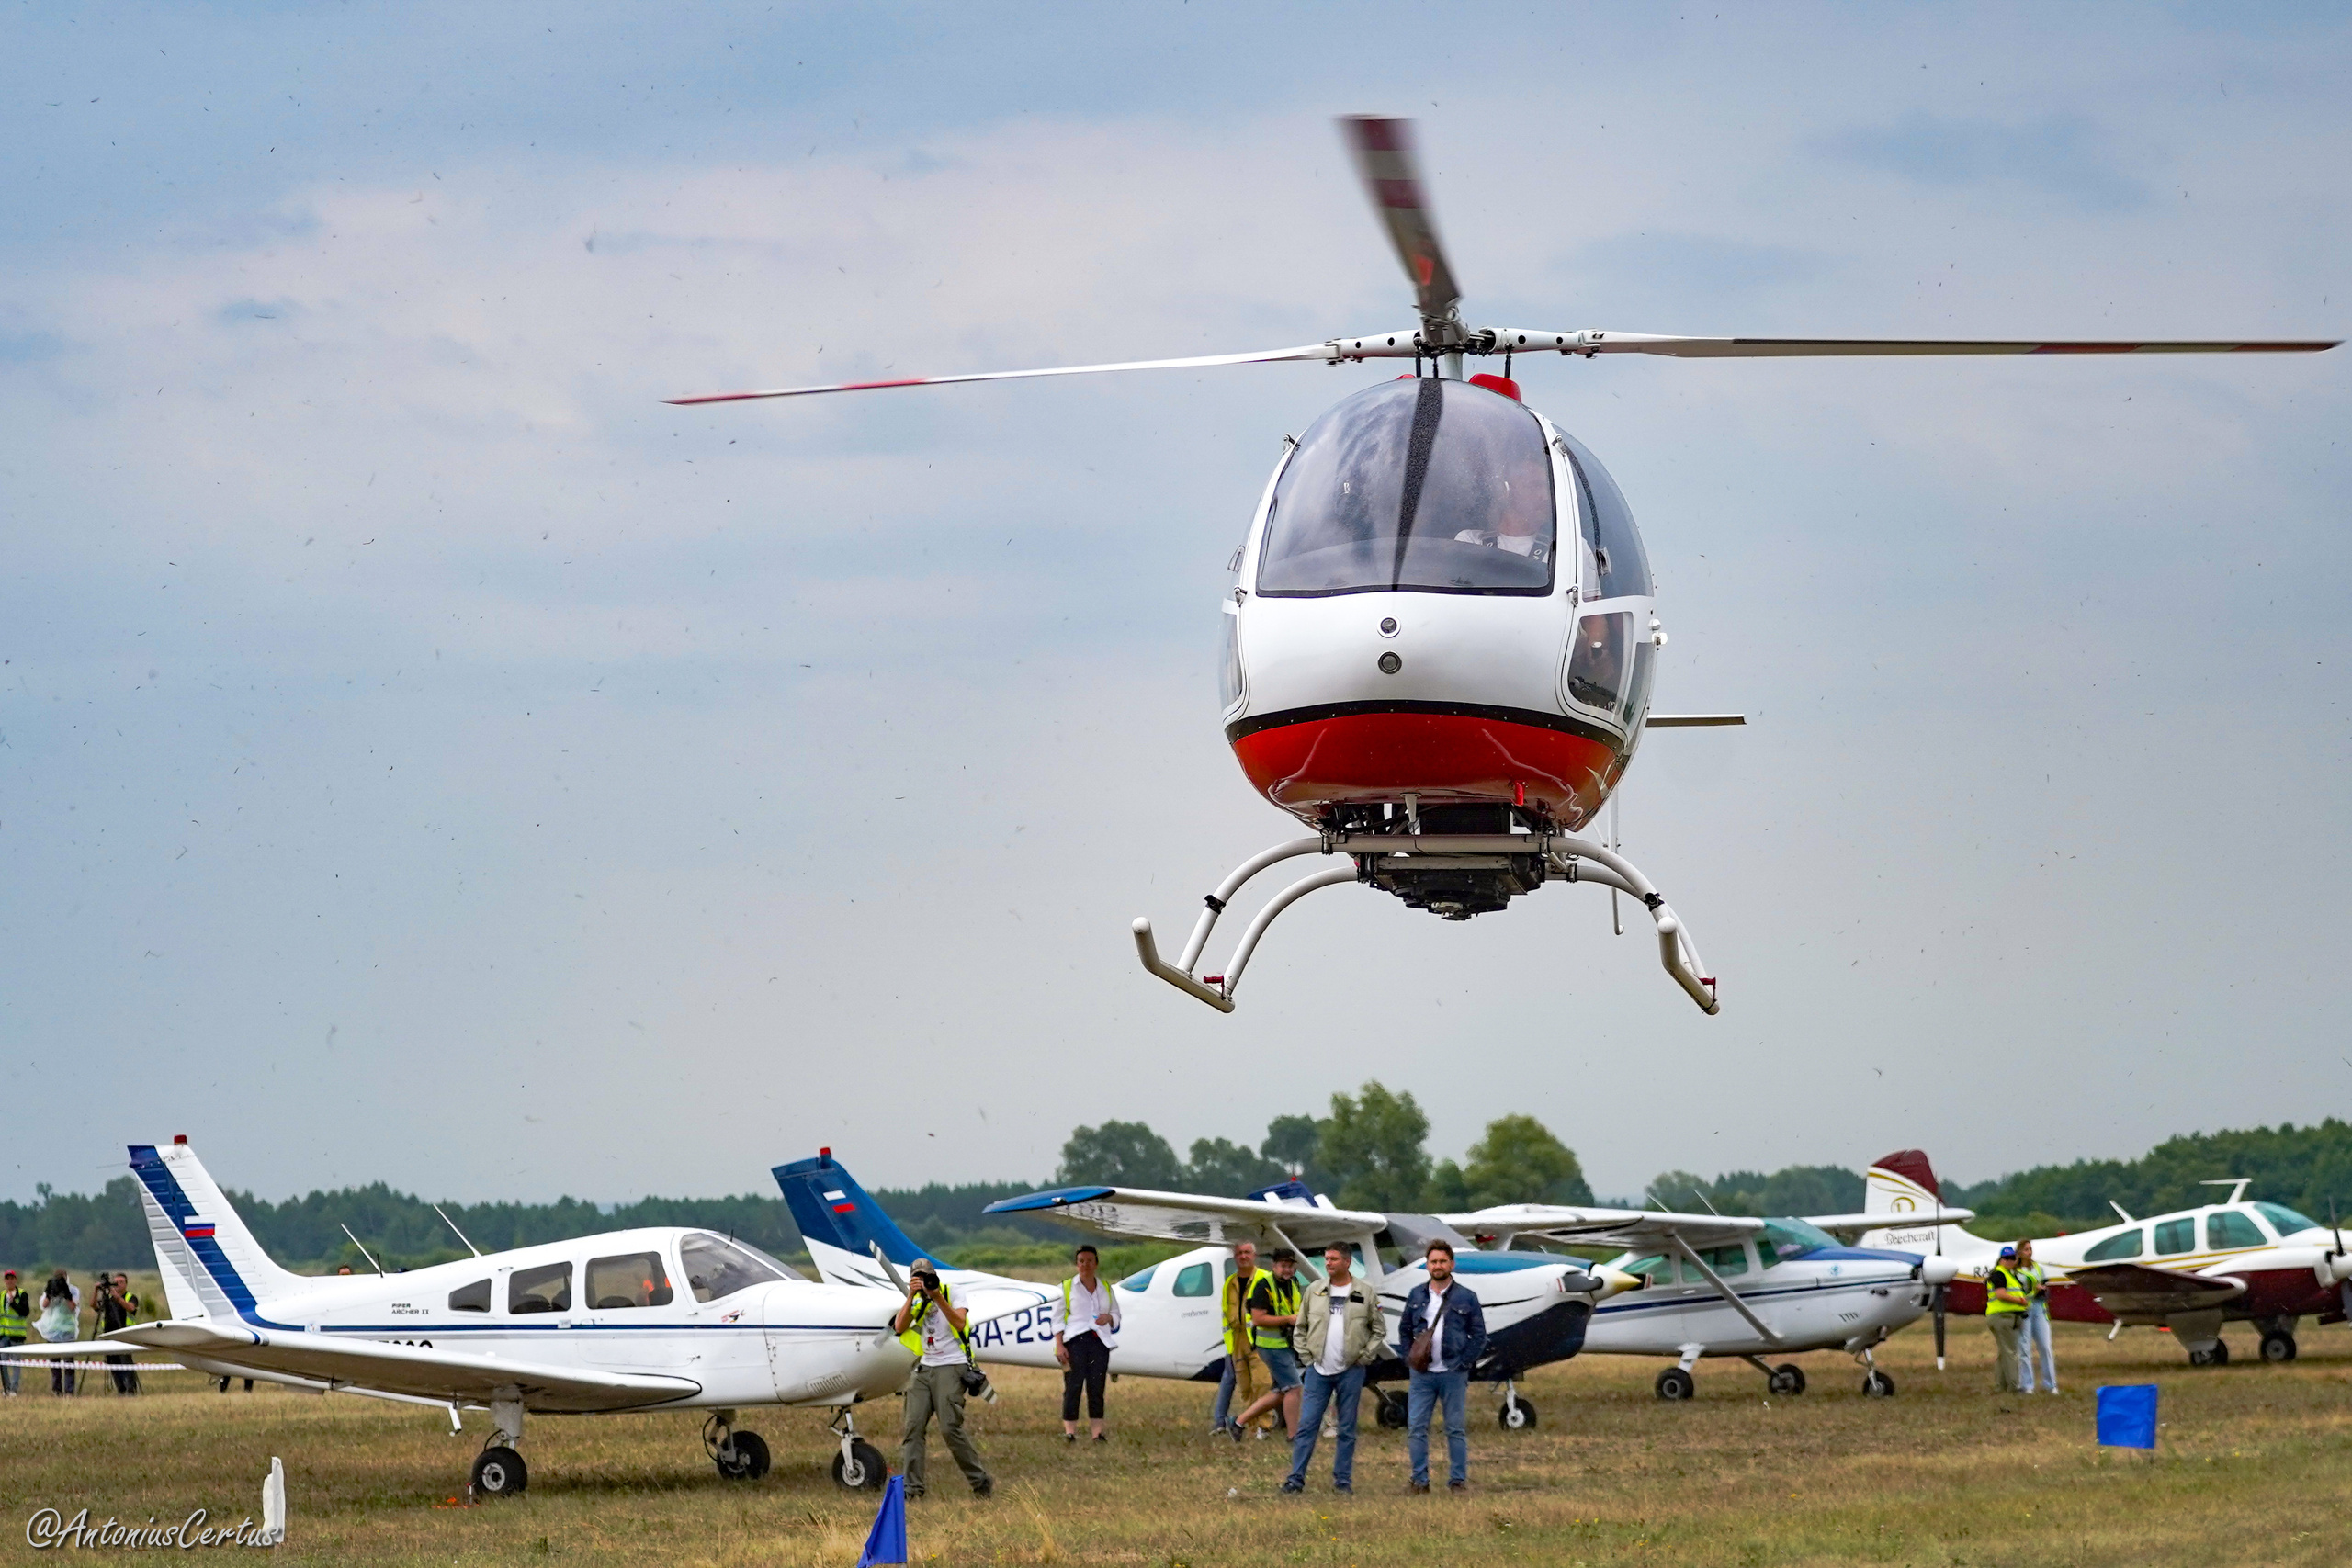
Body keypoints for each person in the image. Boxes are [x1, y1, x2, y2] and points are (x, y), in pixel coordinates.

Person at [1281, 1244, 1387, 1495]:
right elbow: (1301, 1327)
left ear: (1347, 1262)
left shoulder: (1366, 1293)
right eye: (1326, 1259)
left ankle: (1342, 1482)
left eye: (1333, 1259)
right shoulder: (1314, 1291)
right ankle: (1295, 1480)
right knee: (1307, 1425)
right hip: (1318, 1370)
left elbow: (1379, 1330)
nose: (1328, 1263)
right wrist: (1307, 1357)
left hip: (1351, 1370)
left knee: (1347, 1427)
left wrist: (1366, 1355)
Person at [890, 1258, 992, 1499]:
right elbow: (899, 1327)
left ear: (934, 1276)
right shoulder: (916, 1299)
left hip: (952, 1365)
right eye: (918, 1277)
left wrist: (937, 1297)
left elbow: (959, 1322)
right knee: (912, 1428)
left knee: (949, 1428)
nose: (924, 1281)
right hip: (925, 1367)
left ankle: (980, 1481)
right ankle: (913, 1489)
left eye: (926, 1276)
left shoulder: (952, 1292)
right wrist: (910, 1296)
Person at [1399, 1239, 1486, 1495]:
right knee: (1416, 1427)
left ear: (1452, 1264)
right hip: (1422, 1374)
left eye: (1442, 1261)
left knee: (1455, 1428)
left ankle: (1457, 1481)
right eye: (1433, 1261)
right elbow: (1404, 1329)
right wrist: (1410, 1358)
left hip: (1452, 1372)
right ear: (1427, 1265)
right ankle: (1419, 1480)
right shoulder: (1416, 1294)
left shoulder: (1467, 1297)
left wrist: (1464, 1362)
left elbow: (1479, 1335)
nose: (1438, 1266)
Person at [1229, 1250, 1306, 1442]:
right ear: (1274, 1267)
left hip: (1286, 1344)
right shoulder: (1263, 1286)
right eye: (1283, 1266)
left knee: (1281, 1392)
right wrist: (1288, 1319)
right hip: (1270, 1346)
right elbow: (1258, 1319)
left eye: (1290, 1266)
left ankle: (1238, 1422)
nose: (1287, 1270)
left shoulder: (1294, 1283)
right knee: (1294, 1388)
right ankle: (1294, 1436)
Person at [1051, 1243, 1120, 1443]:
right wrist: (1060, 1344)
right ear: (1076, 1264)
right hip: (1075, 1341)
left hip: (1099, 1341)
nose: (1085, 1265)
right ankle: (1069, 1432)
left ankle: (1097, 1433)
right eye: (1081, 1261)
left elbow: (1116, 1314)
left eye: (1090, 1261)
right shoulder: (1066, 1288)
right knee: (1073, 1386)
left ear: (1096, 1264)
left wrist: (1109, 1318)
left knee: (1096, 1387)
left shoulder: (1105, 1287)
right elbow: (1056, 1319)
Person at [1212, 1242, 1272, 1438]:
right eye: (1239, 1253)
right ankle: (1253, 1426)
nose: (1243, 1256)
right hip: (1237, 1341)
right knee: (1245, 1387)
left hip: (1259, 1339)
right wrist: (1230, 1345)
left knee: (1261, 1383)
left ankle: (1264, 1426)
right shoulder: (1230, 1283)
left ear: (1254, 1255)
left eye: (1247, 1252)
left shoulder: (1265, 1278)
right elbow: (1225, 1314)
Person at [2015, 1240, 2057, 1394]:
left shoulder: (2039, 1268)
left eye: (2030, 1249)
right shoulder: (2015, 1271)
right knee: (2024, 1347)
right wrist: (2033, 1289)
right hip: (2024, 1308)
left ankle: (2050, 1384)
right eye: (2026, 1249)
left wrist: (2043, 1289)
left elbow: (2047, 1292)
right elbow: (2016, 1291)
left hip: (2039, 1308)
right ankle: (2027, 1384)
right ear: (2019, 1252)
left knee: (2045, 1346)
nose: (2029, 1252)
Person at [1984, 1245, 2027, 1393]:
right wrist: (2020, 1301)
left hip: (2008, 1317)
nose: (2009, 1260)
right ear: (2001, 1259)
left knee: (2004, 1352)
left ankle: (2000, 1386)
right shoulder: (1999, 1274)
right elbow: (2001, 1294)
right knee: (2011, 1352)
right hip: (2002, 1317)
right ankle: (2014, 1386)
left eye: (2012, 1258)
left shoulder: (2010, 1275)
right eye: (2006, 1258)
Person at [37, 1270, 80, 1395]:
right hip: (52, 1330)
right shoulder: (51, 1290)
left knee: (69, 1364)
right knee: (54, 1363)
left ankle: (69, 1390)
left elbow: (73, 1307)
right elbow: (44, 1305)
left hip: (67, 1330)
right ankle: (57, 1390)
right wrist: (49, 1293)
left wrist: (67, 1294)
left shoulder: (73, 1290)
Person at [94, 1275, 137, 1394]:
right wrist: (96, 1290)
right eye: (116, 1282)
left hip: (124, 1334)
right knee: (113, 1362)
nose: (118, 1284)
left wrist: (118, 1298)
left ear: (126, 1284)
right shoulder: (108, 1298)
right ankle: (120, 1388)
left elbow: (131, 1308)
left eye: (121, 1282)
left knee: (125, 1362)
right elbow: (95, 1306)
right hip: (109, 1334)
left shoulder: (130, 1297)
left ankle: (130, 1388)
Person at [0, 1270, 28, 1396]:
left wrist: (13, 1304)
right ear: (5, 1281)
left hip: (17, 1334)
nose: (9, 1281)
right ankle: (6, 1388)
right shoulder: (1, 1296)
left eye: (11, 1278)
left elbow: (25, 1312)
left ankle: (14, 1389)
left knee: (16, 1363)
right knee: (3, 1363)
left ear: (15, 1280)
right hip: (4, 1334)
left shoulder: (22, 1294)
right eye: (7, 1279)